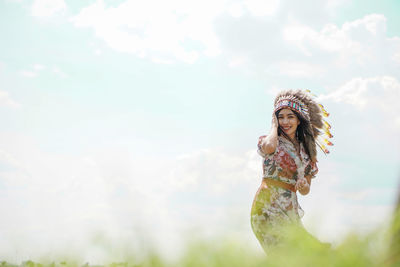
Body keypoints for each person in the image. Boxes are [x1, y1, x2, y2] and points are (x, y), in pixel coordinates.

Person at [250, 89, 333, 252]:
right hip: (266, 207)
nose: (285, 122)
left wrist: (303, 186)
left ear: (299, 120)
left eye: (290, 117)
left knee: (306, 254)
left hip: (289, 209)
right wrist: (273, 126)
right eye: (281, 117)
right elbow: (269, 147)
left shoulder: (306, 151)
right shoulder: (271, 140)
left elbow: (306, 190)